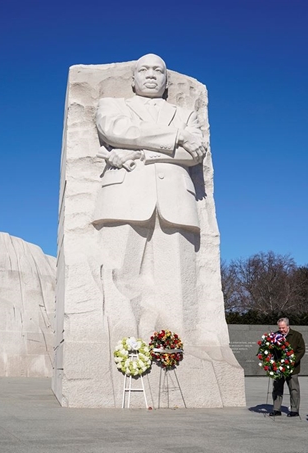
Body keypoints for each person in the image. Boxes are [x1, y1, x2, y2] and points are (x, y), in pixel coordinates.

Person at [93, 53, 207, 337]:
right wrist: (176, 137)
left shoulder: (185, 115)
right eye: (144, 70)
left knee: (179, 283)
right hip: (124, 197)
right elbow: (116, 130)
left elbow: (194, 154)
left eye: (158, 70)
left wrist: (140, 151)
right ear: (133, 79)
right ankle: (121, 341)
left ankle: (180, 344)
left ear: (166, 80)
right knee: (119, 274)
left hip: (176, 201)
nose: (151, 74)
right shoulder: (112, 106)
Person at [269, 318, 306, 417]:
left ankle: (294, 410)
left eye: (283, 328)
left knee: (294, 389)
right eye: (280, 328)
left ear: (288, 326)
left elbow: (301, 350)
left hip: (292, 367)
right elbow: (270, 350)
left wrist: (293, 361)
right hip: (278, 367)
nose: (281, 330)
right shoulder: (274, 336)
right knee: (277, 388)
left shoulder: (297, 335)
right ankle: (276, 409)